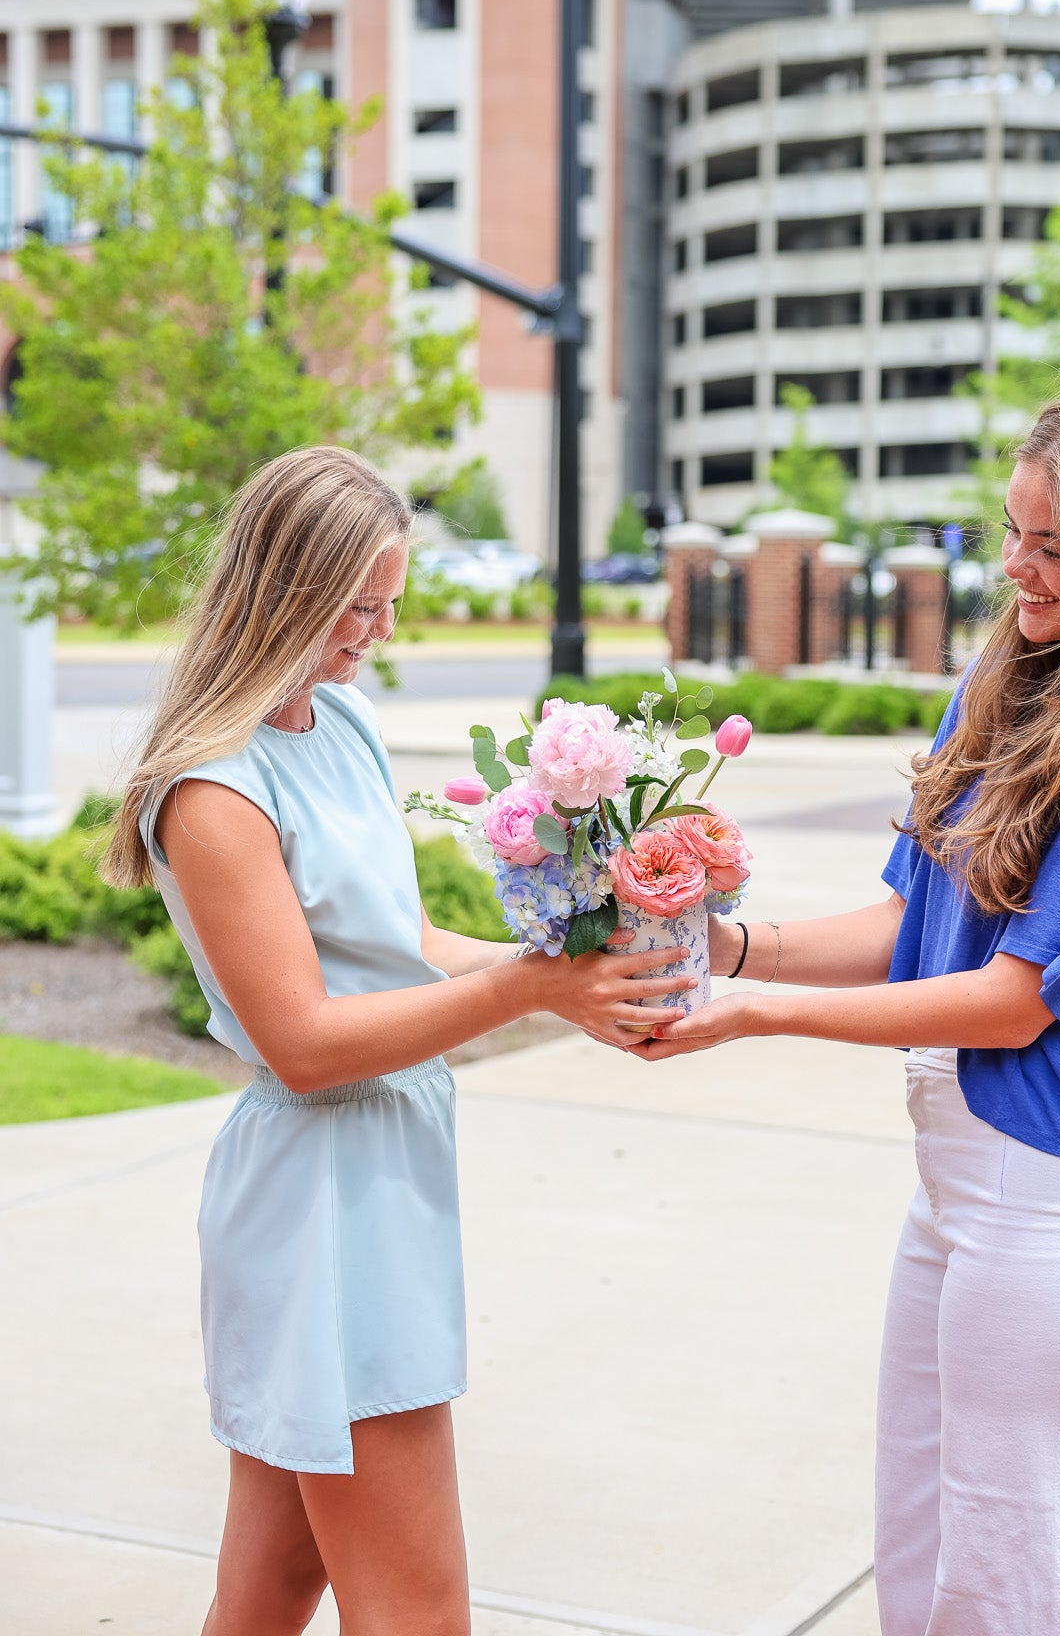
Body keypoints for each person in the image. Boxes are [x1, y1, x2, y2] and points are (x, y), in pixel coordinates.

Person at [644, 382, 1060, 1636]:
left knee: (1013, 1600)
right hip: (959, 1192)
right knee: (919, 1576)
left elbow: (1013, 1003)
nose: (1017, 566)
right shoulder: (1006, 680)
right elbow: (913, 927)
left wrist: (759, 1021)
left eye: (1054, 544)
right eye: (1009, 531)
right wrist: (727, 949)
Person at [104, 445, 684, 1636]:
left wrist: (591, 972)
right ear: (280, 589)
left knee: (270, 1588)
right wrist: (533, 987)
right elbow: (308, 1040)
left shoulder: (346, 724)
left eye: (389, 603)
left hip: (383, 1174)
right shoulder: (214, 789)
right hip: (321, 1201)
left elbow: (406, 940)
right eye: (352, 605)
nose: (373, 629)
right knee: (419, 1610)